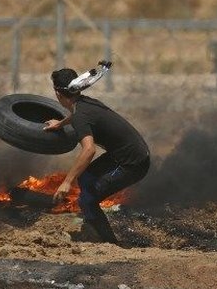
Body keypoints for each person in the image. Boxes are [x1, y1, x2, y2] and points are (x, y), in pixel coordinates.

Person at [45, 64, 150, 245]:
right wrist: (60, 124)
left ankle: (109, 243)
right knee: (85, 177)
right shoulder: (85, 103)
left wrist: (67, 182)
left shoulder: (80, 116)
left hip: (133, 164)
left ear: (58, 94)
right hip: (126, 153)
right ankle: (93, 222)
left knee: (87, 200)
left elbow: (89, 150)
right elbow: (77, 117)